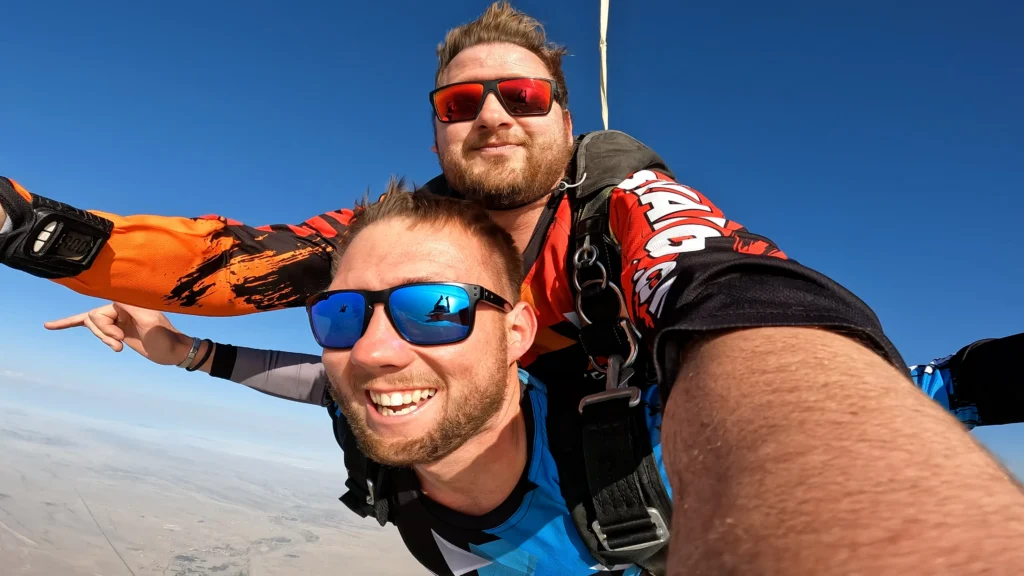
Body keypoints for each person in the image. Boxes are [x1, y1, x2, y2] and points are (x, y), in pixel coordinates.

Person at [47, 186, 1024, 574]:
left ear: (519, 328)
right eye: (345, 313)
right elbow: (319, 387)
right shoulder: (378, 422)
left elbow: (904, 402)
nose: (380, 351)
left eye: (435, 310)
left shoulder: (659, 438)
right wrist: (192, 354)